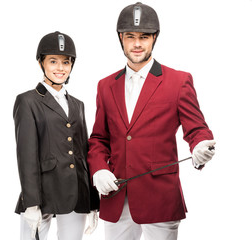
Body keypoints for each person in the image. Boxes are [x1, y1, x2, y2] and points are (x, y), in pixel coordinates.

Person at [87, 2, 216, 240]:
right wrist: (99, 169)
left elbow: (197, 129)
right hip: (116, 196)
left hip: (160, 198)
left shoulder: (178, 81)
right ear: (120, 38)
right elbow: (98, 138)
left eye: (144, 37)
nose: (137, 44)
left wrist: (200, 145)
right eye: (130, 36)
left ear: (154, 38)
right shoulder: (105, 86)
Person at [13, 31, 100, 240]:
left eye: (66, 62)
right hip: (43, 192)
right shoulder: (28, 101)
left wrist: (92, 202)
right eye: (53, 61)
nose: (60, 68)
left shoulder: (78, 104)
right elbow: (27, 156)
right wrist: (31, 202)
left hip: (76, 192)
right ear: (41, 62)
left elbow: (82, 154)